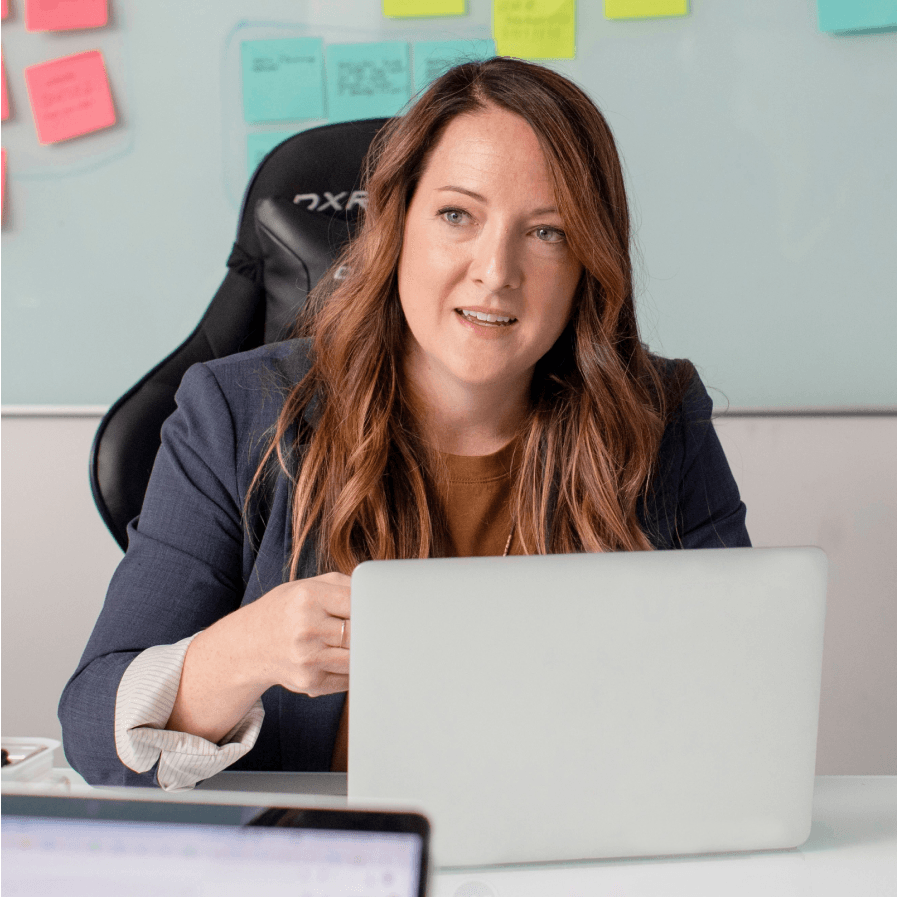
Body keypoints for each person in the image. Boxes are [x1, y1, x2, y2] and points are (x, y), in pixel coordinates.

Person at [59, 58, 749, 789]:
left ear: (588, 260)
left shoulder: (656, 413)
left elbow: (744, 690)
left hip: (563, 844)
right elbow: (93, 736)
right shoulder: (236, 413)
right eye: (457, 215)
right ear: (396, 224)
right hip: (324, 856)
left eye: (545, 231)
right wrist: (247, 650)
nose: (495, 270)